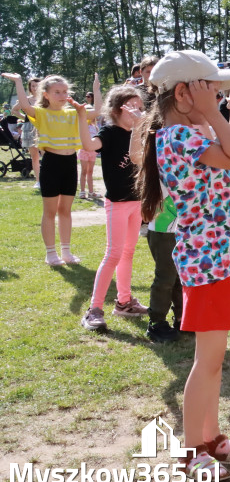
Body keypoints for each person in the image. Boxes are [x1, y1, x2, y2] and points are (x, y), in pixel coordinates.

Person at [136, 50, 230, 479]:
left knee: (215, 359)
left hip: (219, 260)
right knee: (206, 363)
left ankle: (213, 438)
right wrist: (211, 114)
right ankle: (192, 451)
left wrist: (208, 113)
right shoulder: (180, 138)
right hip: (209, 263)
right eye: (212, 91)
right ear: (185, 93)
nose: (219, 97)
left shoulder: (186, 134)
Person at [3, 71, 101, 265]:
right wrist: (19, 82)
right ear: (45, 94)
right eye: (57, 92)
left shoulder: (74, 112)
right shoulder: (41, 112)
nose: (62, 95)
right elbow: (24, 105)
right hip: (51, 164)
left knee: (65, 210)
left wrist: (96, 89)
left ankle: (66, 251)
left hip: (70, 163)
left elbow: (96, 111)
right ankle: (50, 253)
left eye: (65, 91)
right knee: (50, 211)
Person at [77, 86, 149, 331]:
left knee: (127, 253)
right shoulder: (109, 132)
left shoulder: (140, 131)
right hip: (117, 203)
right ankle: (94, 309)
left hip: (135, 202)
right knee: (113, 254)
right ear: (119, 109)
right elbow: (88, 144)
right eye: (133, 107)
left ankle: (124, 302)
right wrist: (81, 117)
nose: (139, 112)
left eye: (141, 107)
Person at [12, 77, 42, 187]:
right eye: (33, 86)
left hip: (43, 128)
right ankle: (38, 181)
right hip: (29, 127)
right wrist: (24, 117)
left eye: (37, 85)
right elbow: (14, 110)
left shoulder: (45, 99)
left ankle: (49, 178)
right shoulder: (27, 99)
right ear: (29, 87)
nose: (35, 88)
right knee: (34, 156)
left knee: (47, 155)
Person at [78, 92, 100, 200]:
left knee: (90, 172)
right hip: (83, 150)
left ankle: (91, 192)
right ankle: (82, 191)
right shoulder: (82, 125)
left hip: (92, 151)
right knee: (84, 171)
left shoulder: (95, 127)